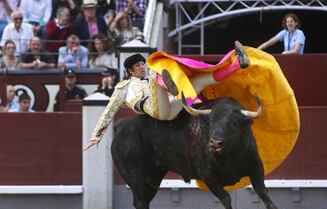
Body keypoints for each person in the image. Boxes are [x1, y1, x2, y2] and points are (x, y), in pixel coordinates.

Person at [84, 41, 250, 150]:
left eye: (143, 64)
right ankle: (172, 88)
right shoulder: (122, 88)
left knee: (199, 80)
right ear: (129, 71)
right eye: (138, 65)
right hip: (157, 111)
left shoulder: (148, 79)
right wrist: (96, 136)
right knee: (156, 72)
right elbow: (108, 112)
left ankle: (238, 64)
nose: (142, 67)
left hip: (170, 107)